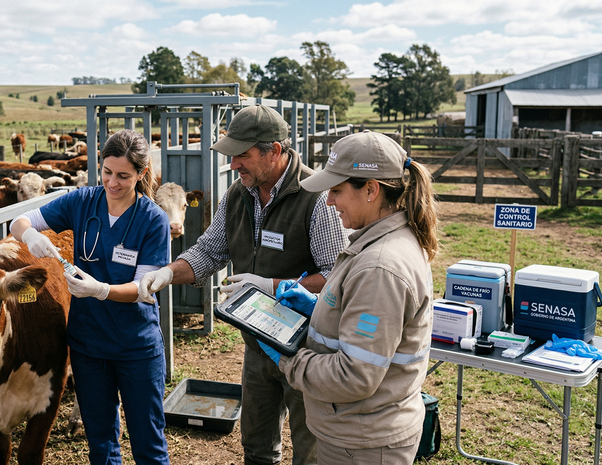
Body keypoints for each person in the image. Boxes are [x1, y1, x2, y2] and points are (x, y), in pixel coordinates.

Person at [139, 104, 349, 465]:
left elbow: (338, 277)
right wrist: (170, 273)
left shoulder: (317, 199)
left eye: (242, 156)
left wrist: (272, 285)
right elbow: (209, 250)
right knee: (256, 445)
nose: (234, 164)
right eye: (231, 155)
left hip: (308, 347)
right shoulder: (238, 195)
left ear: (276, 152)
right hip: (259, 344)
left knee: (310, 450)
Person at [262, 130, 437, 464]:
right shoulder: (377, 243)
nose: (329, 201)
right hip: (359, 430)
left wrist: (289, 359)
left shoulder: (380, 267)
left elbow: (354, 376)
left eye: (337, 190)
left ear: (371, 189)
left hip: (363, 443)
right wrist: (319, 310)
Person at [10, 129, 171, 465]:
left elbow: (144, 290)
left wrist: (101, 290)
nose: (112, 183)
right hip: (88, 345)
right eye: (107, 172)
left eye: (124, 176)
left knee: (148, 444)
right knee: (101, 444)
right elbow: (19, 220)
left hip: (136, 346)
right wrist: (29, 235)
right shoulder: (83, 201)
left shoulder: (153, 220)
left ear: (141, 174)